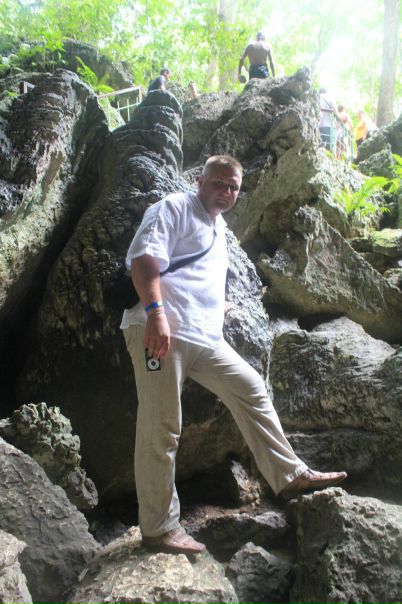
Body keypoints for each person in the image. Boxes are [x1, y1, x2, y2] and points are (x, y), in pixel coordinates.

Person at [121, 155, 347, 555]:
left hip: (204, 335)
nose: (226, 192)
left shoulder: (219, 227)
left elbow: (193, 275)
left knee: (250, 386)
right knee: (162, 426)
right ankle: (158, 528)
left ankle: (290, 474)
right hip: (161, 332)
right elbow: (143, 262)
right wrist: (156, 315)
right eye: (218, 183)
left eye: (233, 187)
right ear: (200, 180)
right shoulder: (173, 208)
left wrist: (216, 306)